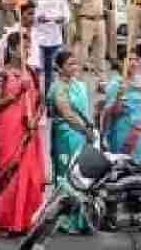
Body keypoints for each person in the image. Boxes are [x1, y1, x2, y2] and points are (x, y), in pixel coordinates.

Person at [0, 32, 46, 236]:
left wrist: (35, 119)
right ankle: (6, 220)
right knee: (10, 176)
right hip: (9, 131)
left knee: (29, 177)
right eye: (23, 47)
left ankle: (25, 221)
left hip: (29, 131)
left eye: (29, 47)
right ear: (12, 49)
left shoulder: (31, 72)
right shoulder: (0, 74)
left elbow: (40, 101)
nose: (27, 51)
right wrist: (17, 93)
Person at [47, 49, 92, 234]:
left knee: (81, 176)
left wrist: (89, 127)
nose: (74, 67)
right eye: (69, 64)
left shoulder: (77, 85)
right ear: (59, 67)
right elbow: (67, 114)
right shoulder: (57, 88)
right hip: (66, 136)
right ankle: (67, 219)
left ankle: (83, 218)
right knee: (67, 176)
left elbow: (82, 112)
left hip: (80, 135)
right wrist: (85, 130)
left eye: (75, 63)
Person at [103, 47, 141, 160]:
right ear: (120, 62)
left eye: (136, 59)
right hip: (124, 134)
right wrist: (119, 97)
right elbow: (112, 113)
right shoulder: (115, 85)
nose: (134, 63)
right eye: (130, 59)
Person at [72, 0, 113, 77]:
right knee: (81, 55)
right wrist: (78, 29)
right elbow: (76, 6)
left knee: (100, 54)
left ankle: (101, 81)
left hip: (100, 20)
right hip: (86, 20)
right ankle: (77, 82)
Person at [30, 0, 68, 90]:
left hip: (55, 39)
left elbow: (67, 15)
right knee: (37, 70)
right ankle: (37, 98)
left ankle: (48, 100)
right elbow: (27, 15)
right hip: (38, 40)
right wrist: (37, 18)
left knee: (51, 72)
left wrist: (62, 19)